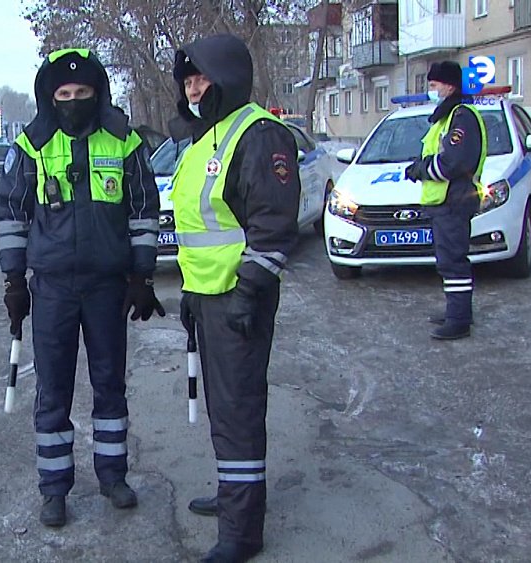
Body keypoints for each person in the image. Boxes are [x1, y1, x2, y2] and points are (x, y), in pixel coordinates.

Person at [0, 48, 164, 529]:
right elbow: (11, 214)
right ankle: (54, 490)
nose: (73, 101)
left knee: (110, 385)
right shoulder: (31, 146)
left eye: (82, 92)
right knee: (53, 390)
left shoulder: (125, 143)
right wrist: (13, 281)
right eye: (64, 94)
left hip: (107, 288)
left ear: (98, 93)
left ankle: (113, 476)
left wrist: (142, 274)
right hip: (52, 290)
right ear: (50, 97)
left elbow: (143, 210)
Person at [170, 34, 301, 563]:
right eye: (187, 80)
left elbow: (273, 225)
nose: (193, 87)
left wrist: (249, 291)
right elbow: (197, 226)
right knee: (224, 408)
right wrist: (188, 290)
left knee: (239, 410)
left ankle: (242, 532)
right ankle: (232, 499)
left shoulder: (258, 133)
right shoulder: (207, 138)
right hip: (209, 296)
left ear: (226, 77)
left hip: (238, 298)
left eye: (201, 77)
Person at [404, 60, 487, 340]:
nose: (432, 89)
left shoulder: (461, 116)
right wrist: (421, 164)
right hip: (445, 202)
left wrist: (420, 169)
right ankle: (456, 311)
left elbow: (454, 162)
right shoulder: (448, 116)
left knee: (453, 261)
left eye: (435, 84)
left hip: (453, 200)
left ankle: (459, 319)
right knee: (448, 260)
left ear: (450, 85)